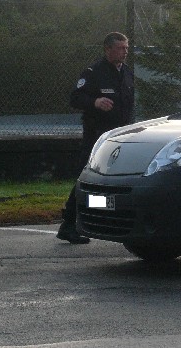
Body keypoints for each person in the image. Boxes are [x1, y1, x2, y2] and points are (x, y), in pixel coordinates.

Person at [57, 32, 135, 244]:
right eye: (120, 48)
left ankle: (103, 219)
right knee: (87, 179)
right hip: (97, 136)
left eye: (126, 47)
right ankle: (69, 224)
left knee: (114, 183)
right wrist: (95, 102)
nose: (125, 51)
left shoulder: (126, 73)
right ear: (107, 49)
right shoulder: (94, 72)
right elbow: (75, 97)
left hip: (119, 136)